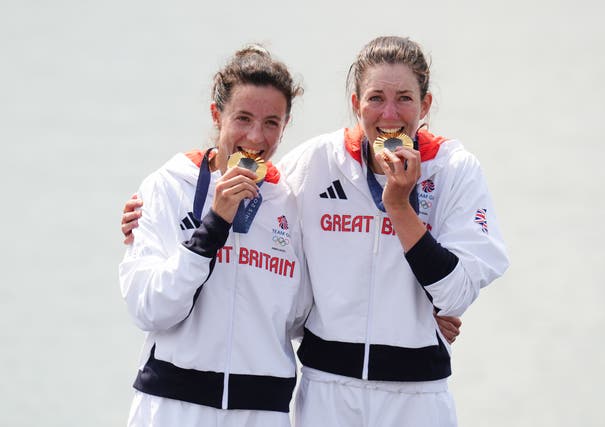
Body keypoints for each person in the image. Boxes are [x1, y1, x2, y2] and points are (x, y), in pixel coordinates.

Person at [277, 36, 509, 427]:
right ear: (355, 105)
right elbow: (249, 214)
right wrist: (150, 214)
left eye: (404, 98)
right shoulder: (315, 162)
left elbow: (454, 294)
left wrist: (399, 207)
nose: (389, 114)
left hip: (417, 395)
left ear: (426, 105)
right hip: (327, 390)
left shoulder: (454, 169)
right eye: (375, 98)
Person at [118, 45, 311, 427]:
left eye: (272, 122)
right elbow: (149, 308)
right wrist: (214, 224)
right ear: (216, 115)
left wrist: (424, 314)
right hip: (173, 406)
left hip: (262, 411)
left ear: (285, 126)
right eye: (243, 118)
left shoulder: (291, 201)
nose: (256, 137)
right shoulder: (167, 188)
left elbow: (305, 314)